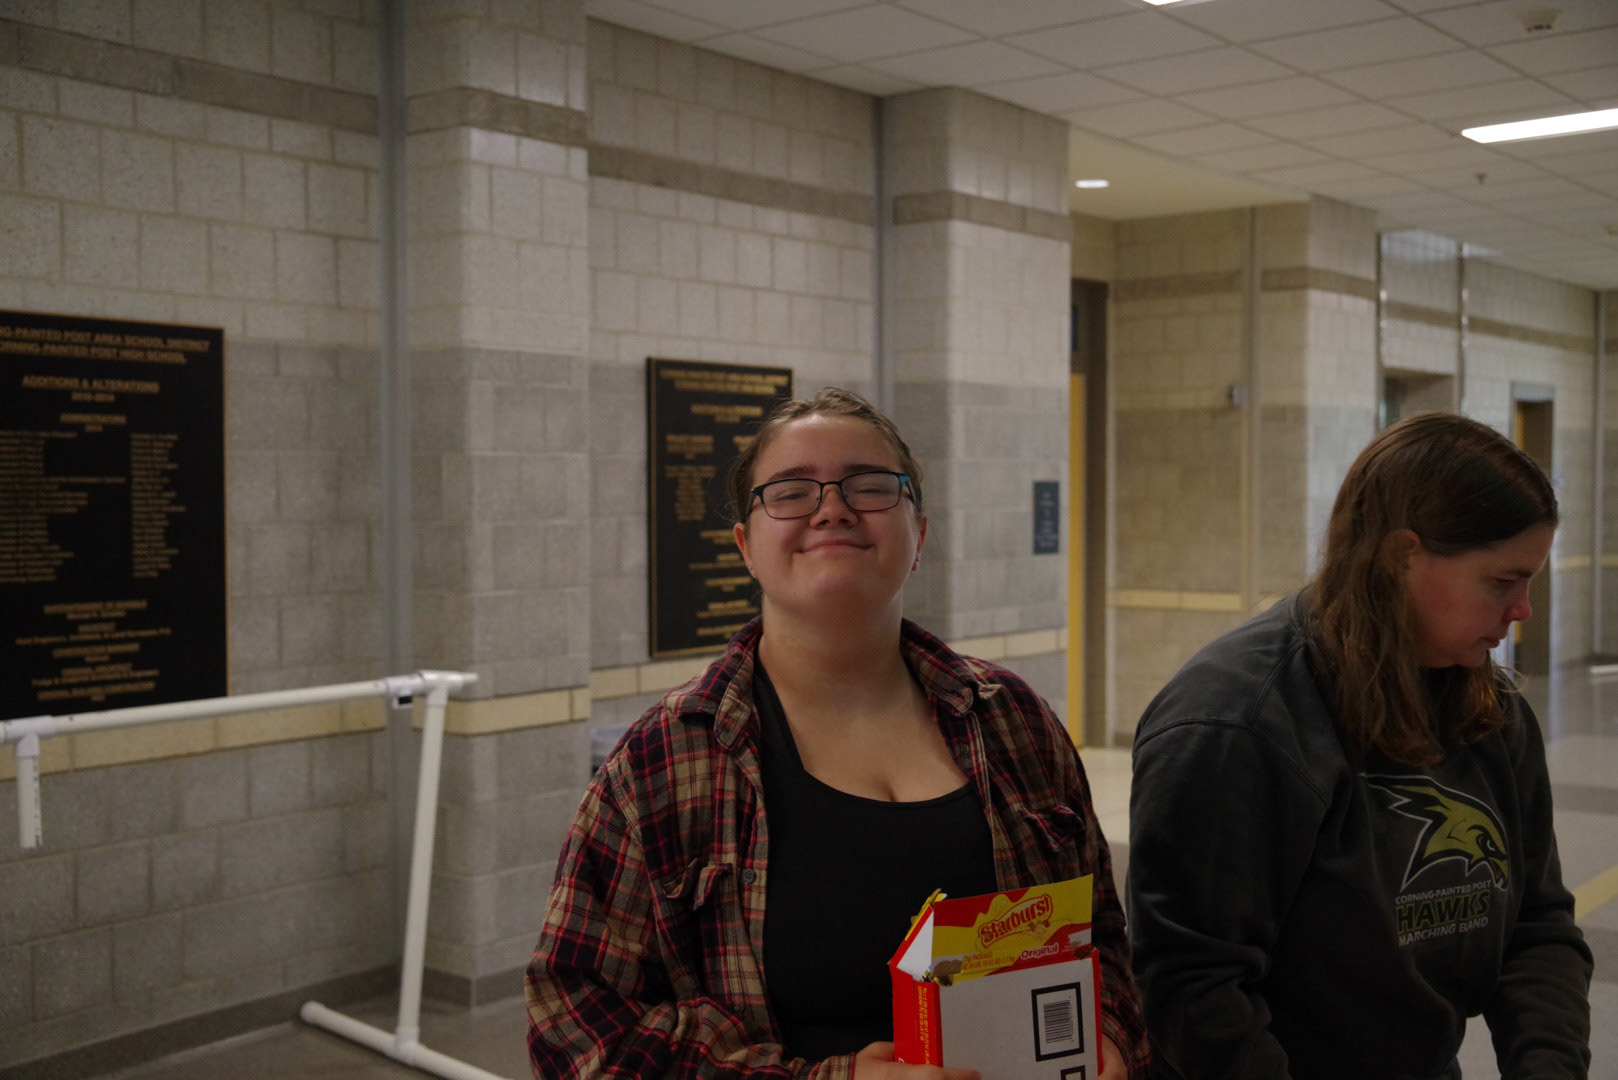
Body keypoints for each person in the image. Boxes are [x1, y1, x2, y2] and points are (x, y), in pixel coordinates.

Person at [528, 387, 1149, 1079]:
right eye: (791, 491)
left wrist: (1109, 1039)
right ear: (746, 547)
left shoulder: (1014, 722)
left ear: (919, 534)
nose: (832, 508)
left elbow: (1102, 937)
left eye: (870, 485)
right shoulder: (663, 763)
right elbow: (575, 1030)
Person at [1127, 411, 1592, 1079]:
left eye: (1530, 582)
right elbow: (1194, 986)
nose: (1523, 610)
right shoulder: (1234, 723)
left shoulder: (1488, 707)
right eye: (1501, 581)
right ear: (1403, 556)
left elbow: (1536, 925)